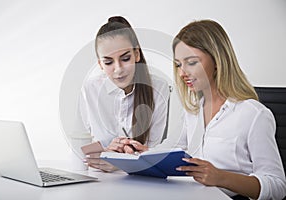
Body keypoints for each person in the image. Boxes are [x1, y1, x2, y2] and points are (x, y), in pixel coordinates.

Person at [122, 19, 286, 199]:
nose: (182, 73)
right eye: (178, 65)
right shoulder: (193, 111)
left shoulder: (253, 114)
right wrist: (143, 154)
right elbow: (176, 148)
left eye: (191, 62)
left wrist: (221, 177)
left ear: (217, 60)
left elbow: (277, 185)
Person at [79, 16, 170, 171]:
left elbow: (152, 150)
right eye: (108, 62)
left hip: (142, 180)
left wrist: (118, 161)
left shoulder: (158, 88)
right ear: (100, 64)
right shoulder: (90, 89)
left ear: (137, 54)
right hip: (99, 180)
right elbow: (80, 150)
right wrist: (105, 153)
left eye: (125, 58)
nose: (118, 69)